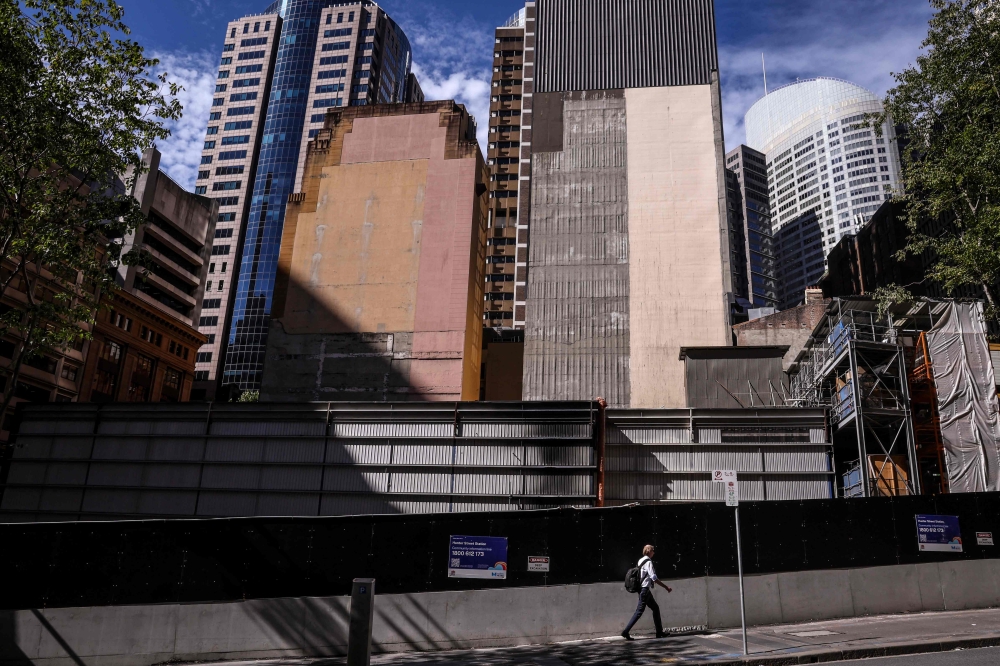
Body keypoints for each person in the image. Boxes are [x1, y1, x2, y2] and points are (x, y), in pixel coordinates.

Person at [621, 544, 672, 640]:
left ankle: (659, 632)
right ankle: (625, 631)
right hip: (644, 590)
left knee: (655, 608)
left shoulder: (640, 560)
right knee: (639, 612)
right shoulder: (648, 562)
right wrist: (666, 587)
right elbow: (654, 578)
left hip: (642, 589)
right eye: (653, 550)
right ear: (649, 551)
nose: (654, 553)